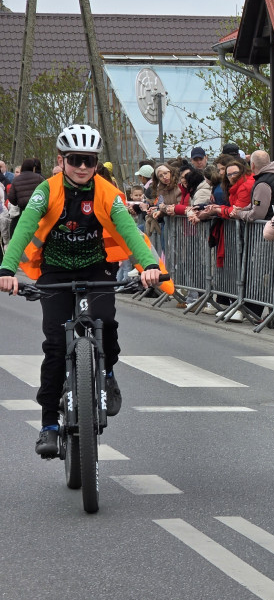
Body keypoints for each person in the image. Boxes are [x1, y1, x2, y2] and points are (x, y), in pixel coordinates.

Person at [0, 125, 167, 458]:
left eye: (88, 161)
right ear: (61, 161)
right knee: (54, 343)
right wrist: (7, 269)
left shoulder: (107, 192)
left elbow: (130, 233)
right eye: (74, 160)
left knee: (105, 320)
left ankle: (106, 372)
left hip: (96, 266)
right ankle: (48, 424)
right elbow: (25, 229)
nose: (81, 167)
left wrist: (149, 265)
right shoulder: (45, 191)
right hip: (56, 268)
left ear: (95, 163)